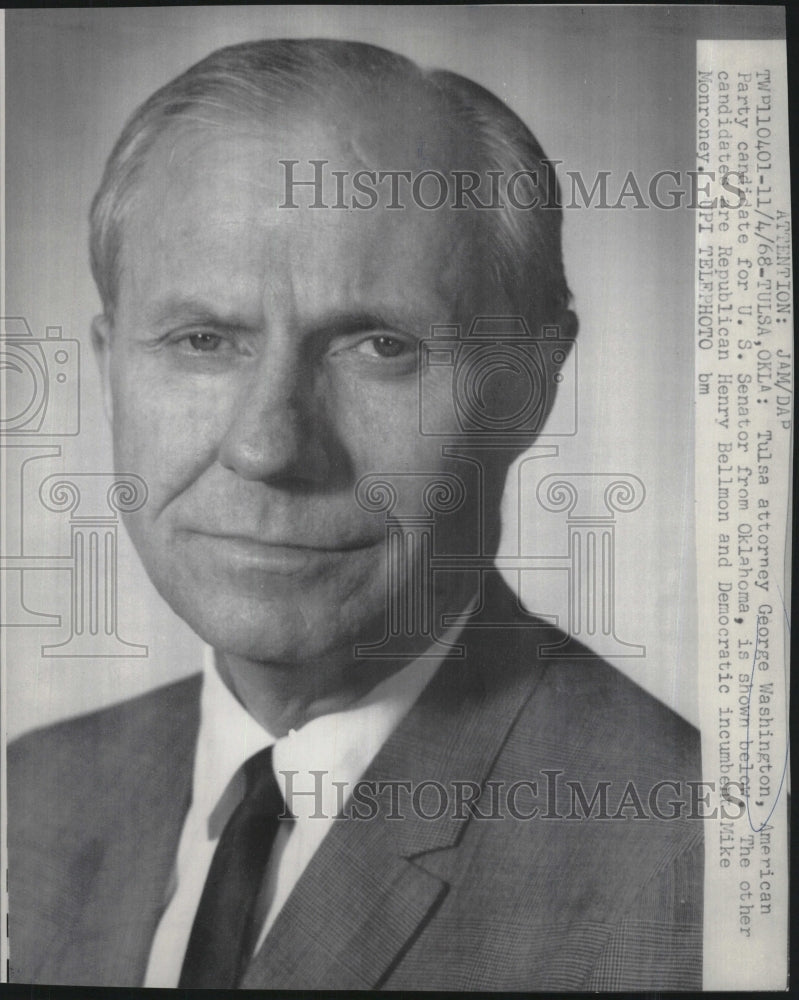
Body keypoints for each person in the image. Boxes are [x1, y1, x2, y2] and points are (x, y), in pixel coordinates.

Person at [7, 38, 702, 990]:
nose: (266, 446)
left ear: (529, 386)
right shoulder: (30, 790)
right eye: (202, 339)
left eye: (378, 346)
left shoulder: (689, 867)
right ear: (107, 366)